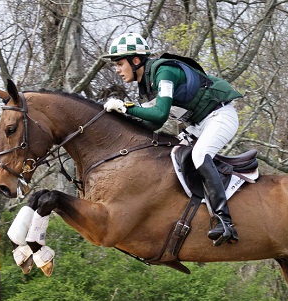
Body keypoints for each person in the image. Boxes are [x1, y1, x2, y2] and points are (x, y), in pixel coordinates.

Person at [101, 32, 242, 246]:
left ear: (136, 60)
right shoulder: (145, 86)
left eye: (120, 64)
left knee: (199, 155)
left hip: (219, 116)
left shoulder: (163, 72)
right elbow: (154, 125)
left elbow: (159, 114)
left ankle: (225, 222)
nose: (118, 70)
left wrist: (126, 107)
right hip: (197, 125)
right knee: (171, 156)